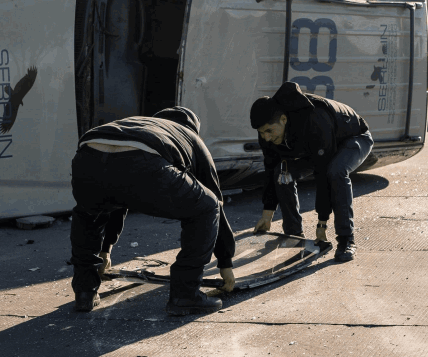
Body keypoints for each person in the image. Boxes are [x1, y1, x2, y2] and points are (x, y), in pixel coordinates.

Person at [69, 107, 235, 316]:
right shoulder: (191, 137)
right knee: (207, 207)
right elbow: (216, 203)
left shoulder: (138, 123)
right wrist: (225, 263)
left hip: (88, 155)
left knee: (88, 213)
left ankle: (85, 292)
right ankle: (185, 294)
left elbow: (117, 196)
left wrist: (105, 250)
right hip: (143, 160)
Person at [248, 82, 373, 262]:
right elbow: (270, 171)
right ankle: (294, 236)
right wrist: (267, 215)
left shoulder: (313, 121)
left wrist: (321, 224)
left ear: (284, 119)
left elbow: (322, 175)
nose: (266, 137)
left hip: (353, 138)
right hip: (319, 148)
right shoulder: (268, 134)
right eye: (261, 133)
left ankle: (346, 240)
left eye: (269, 131)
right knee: (280, 173)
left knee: (335, 172)